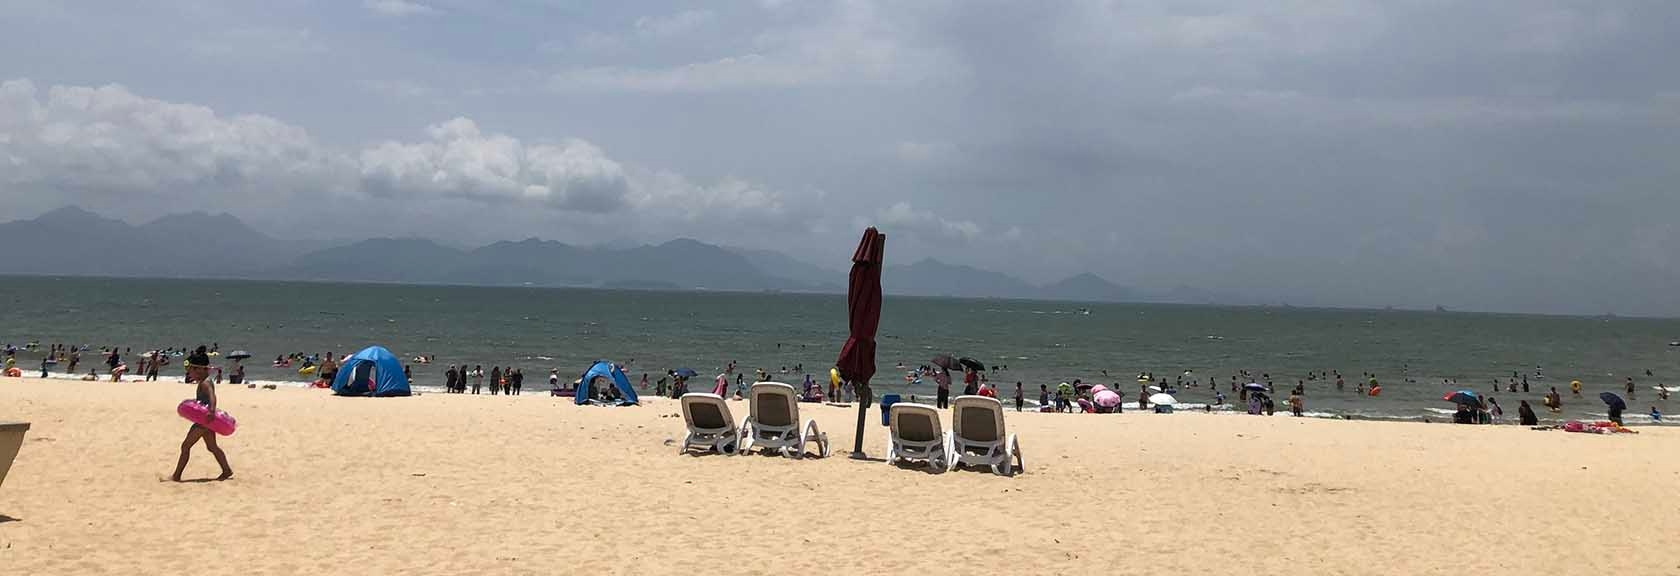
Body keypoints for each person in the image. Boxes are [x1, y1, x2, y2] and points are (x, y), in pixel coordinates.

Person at [171, 347, 232, 482]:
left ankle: (176, 476)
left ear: (199, 369)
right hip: (207, 422)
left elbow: (212, 396)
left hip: (203, 421)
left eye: (191, 371)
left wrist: (211, 410)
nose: (190, 374)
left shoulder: (205, 383)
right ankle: (226, 470)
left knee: (185, 446)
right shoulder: (205, 381)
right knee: (212, 447)